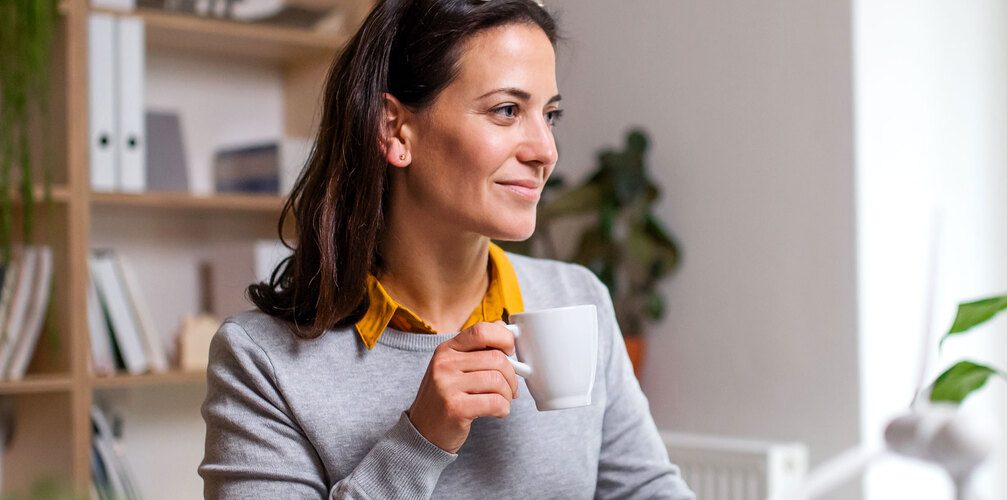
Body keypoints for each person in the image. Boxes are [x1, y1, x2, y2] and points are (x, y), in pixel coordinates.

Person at [198, 0, 694, 498]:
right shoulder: (260, 360)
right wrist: (420, 441)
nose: (546, 151)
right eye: (506, 110)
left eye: (550, 115)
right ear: (394, 129)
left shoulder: (577, 296)